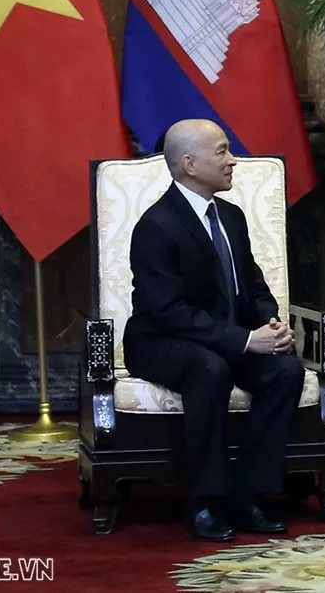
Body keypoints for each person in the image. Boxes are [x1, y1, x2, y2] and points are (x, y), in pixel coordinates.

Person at [122, 118, 304, 542]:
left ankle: (251, 494)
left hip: (225, 337)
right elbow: (168, 311)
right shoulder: (156, 226)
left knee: (285, 371)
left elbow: (253, 286)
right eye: (222, 151)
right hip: (162, 341)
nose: (233, 160)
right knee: (209, 368)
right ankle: (205, 501)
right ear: (189, 163)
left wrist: (270, 324)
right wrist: (245, 340)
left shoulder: (231, 217)